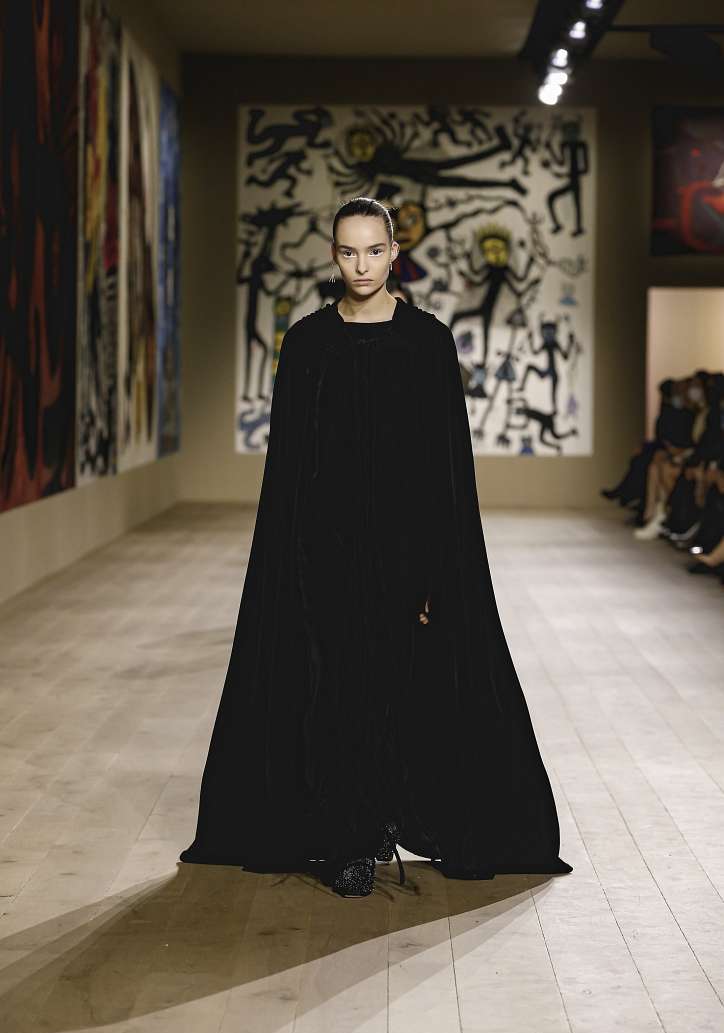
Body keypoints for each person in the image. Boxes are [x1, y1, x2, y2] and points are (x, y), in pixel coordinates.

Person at [179, 196, 573, 897]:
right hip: (322, 550)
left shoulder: (427, 343)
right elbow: (287, 470)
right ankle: (350, 839)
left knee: (400, 687)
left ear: (394, 253)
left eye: (373, 250)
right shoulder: (307, 343)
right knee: (334, 689)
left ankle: (392, 817)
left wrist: (439, 570)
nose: (361, 264)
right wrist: (289, 564)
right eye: (348, 251)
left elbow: (446, 467)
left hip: (406, 551)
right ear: (334, 255)